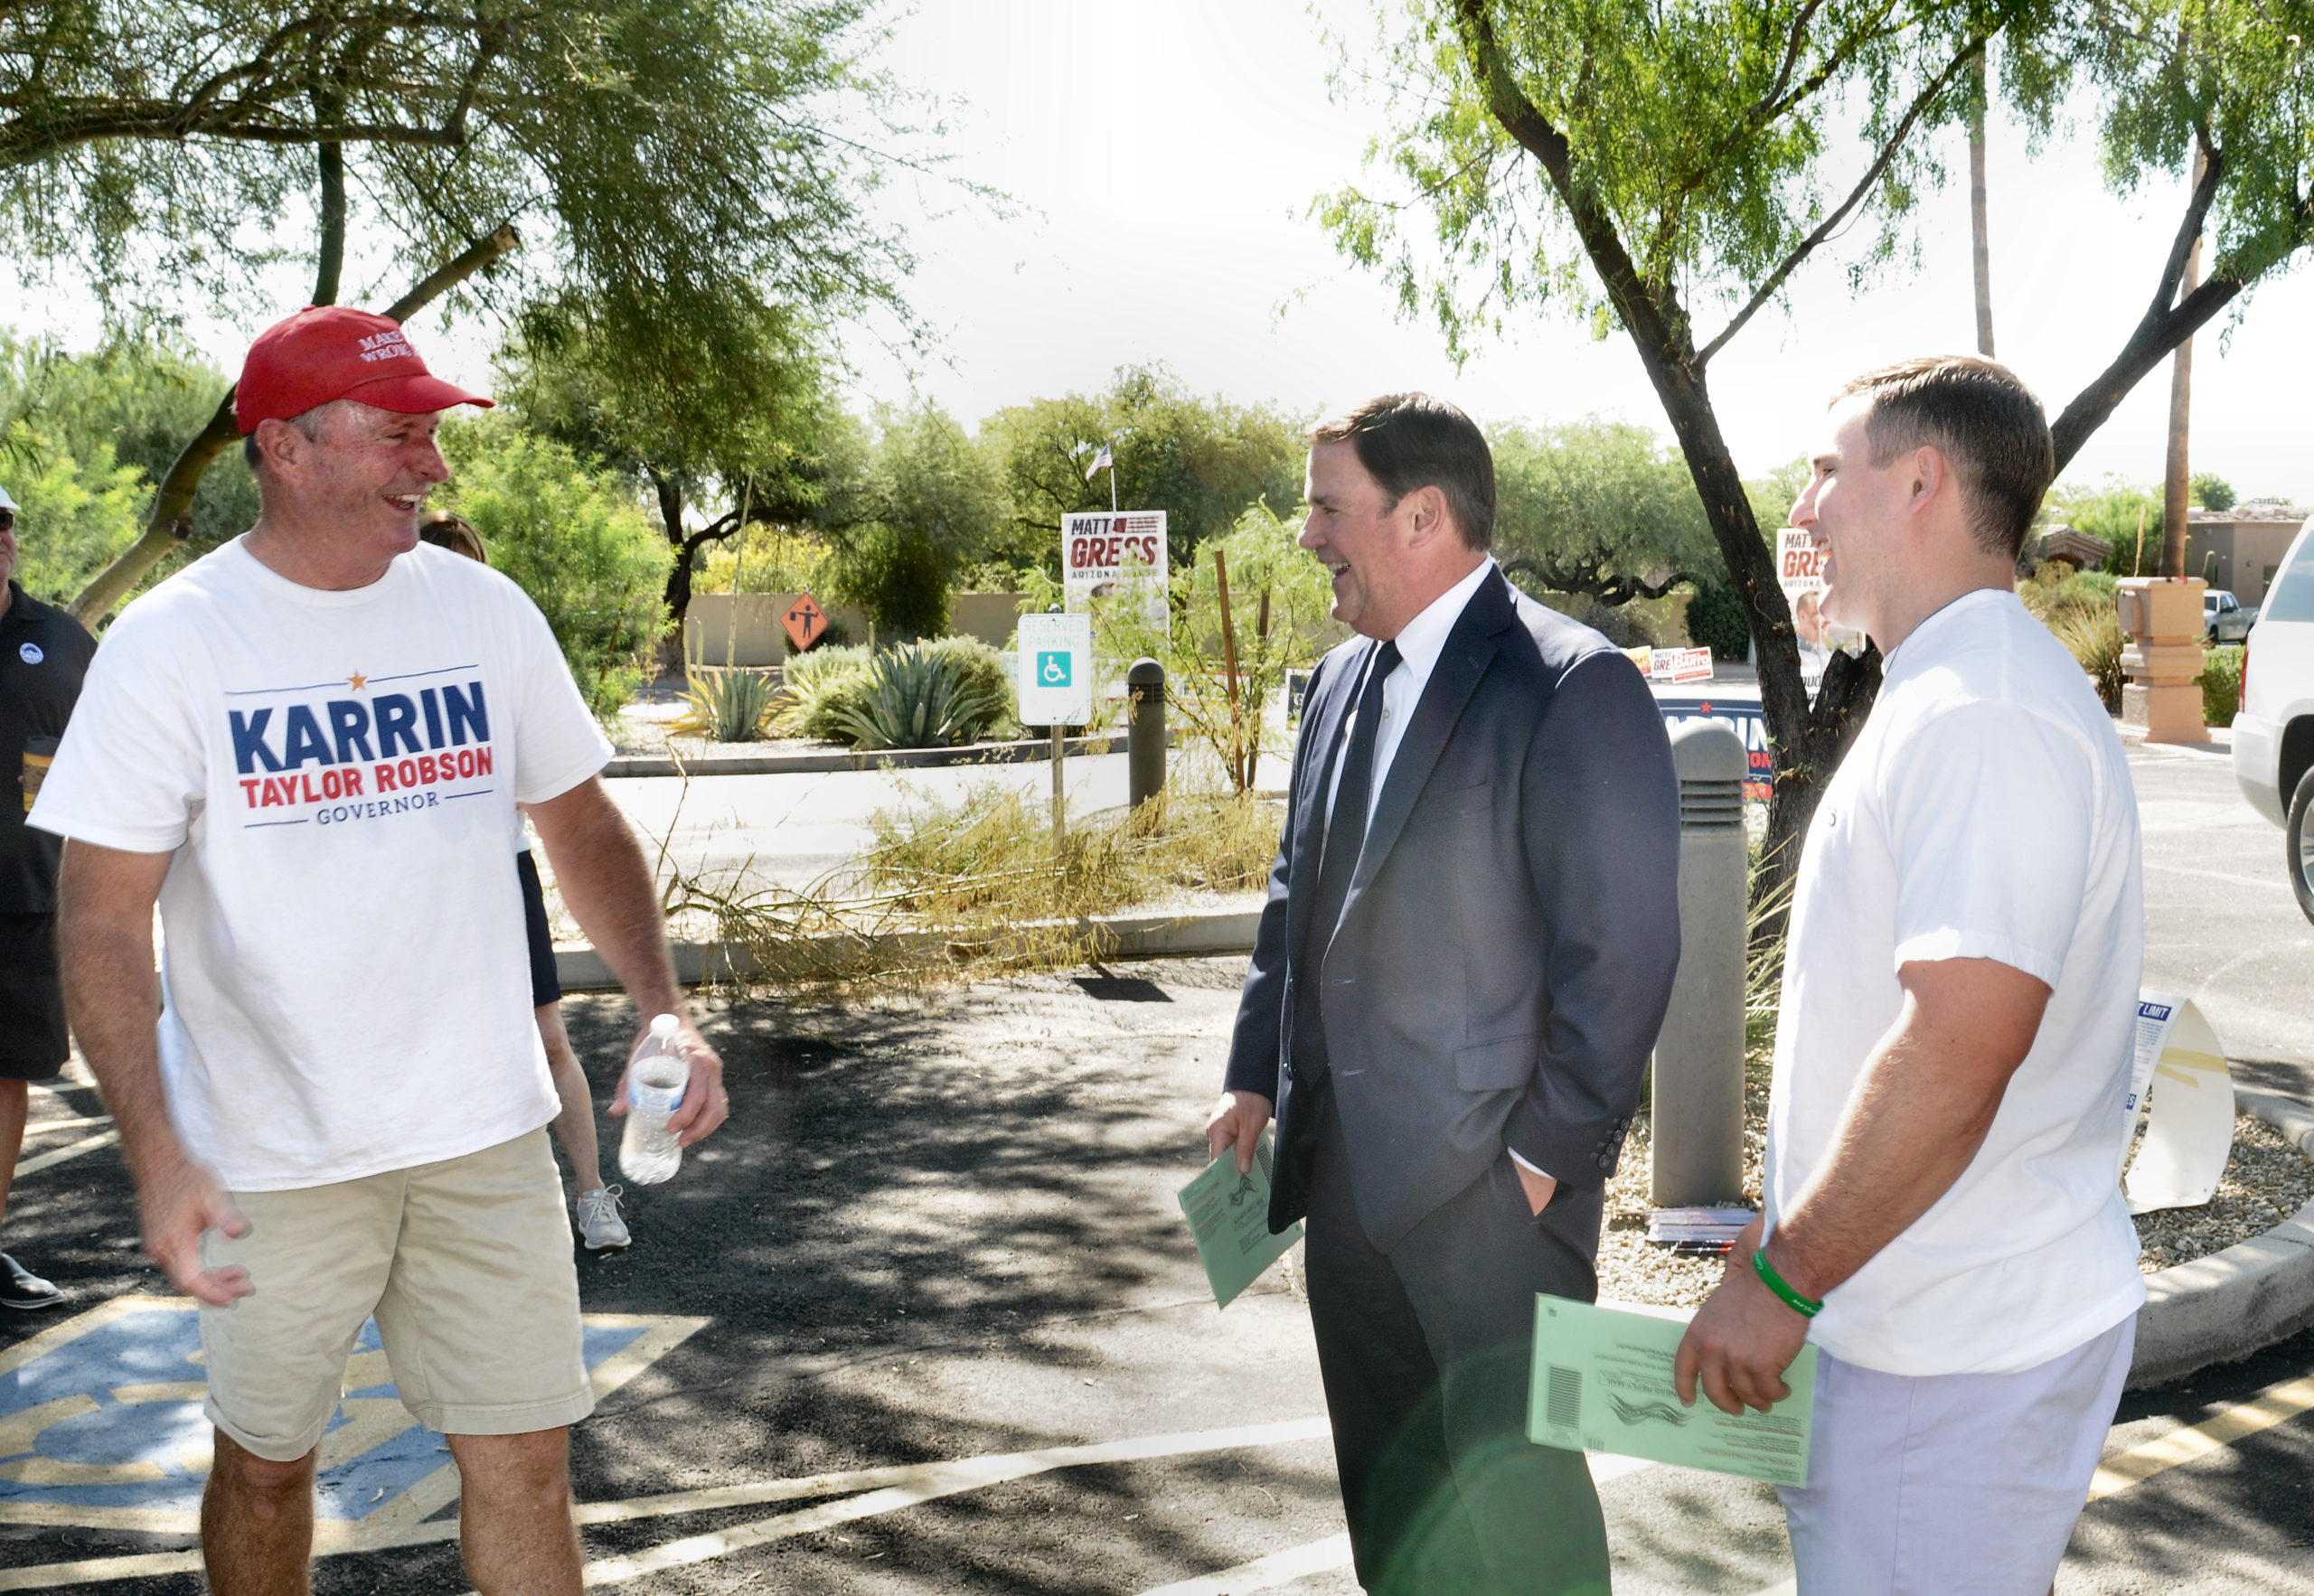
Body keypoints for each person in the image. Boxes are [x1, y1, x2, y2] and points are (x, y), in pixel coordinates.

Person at [34, 304, 727, 1596]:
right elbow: (100, 915)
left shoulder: (482, 610)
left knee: (523, 1459)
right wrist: (159, 1152)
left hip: (484, 1134)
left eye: (432, 434)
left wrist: (660, 1005)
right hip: (271, 1156)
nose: (434, 463)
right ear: (288, 450)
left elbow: (577, 818)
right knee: (269, 1464)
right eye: (401, 433)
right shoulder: (171, 645)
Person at [1674, 355, 2145, 1593]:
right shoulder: (1950, 686)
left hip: (1948, 1359)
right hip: (1928, 1340)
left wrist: (1786, 1276)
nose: (1810, 503)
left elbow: (1959, 1046)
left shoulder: (1981, 708)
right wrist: (1780, 1233)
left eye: (1832, 468)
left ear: (1922, 481)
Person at [1206, 393, 1681, 1595]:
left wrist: (1537, 1164)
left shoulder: (1575, 685)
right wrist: (1252, 1075)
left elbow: (1620, 957)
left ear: (1422, 515)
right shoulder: (1334, 686)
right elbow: (1292, 898)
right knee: (1402, 1532)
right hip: (1343, 1193)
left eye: (1327, 507)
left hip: (1493, 1205)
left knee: (1525, 1551)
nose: (1308, 535)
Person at [419, 510, 627, 1251]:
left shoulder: (496, 647)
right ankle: (459, 1225)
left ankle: (595, 1195)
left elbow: (553, 794)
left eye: (466, 565)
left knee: (545, 1037)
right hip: (414, 890)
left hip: (500, 875)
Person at [0, 483, 97, 1310]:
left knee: (6, 1079)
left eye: (2, 523)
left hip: (28, 900)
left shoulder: (63, 640)